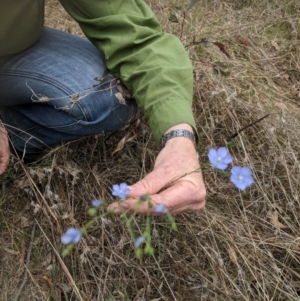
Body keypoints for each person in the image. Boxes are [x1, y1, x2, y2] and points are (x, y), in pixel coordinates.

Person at [0, 0, 206, 214]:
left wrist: (178, 138)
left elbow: (133, 34)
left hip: (12, 47)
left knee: (108, 94)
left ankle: (12, 129)